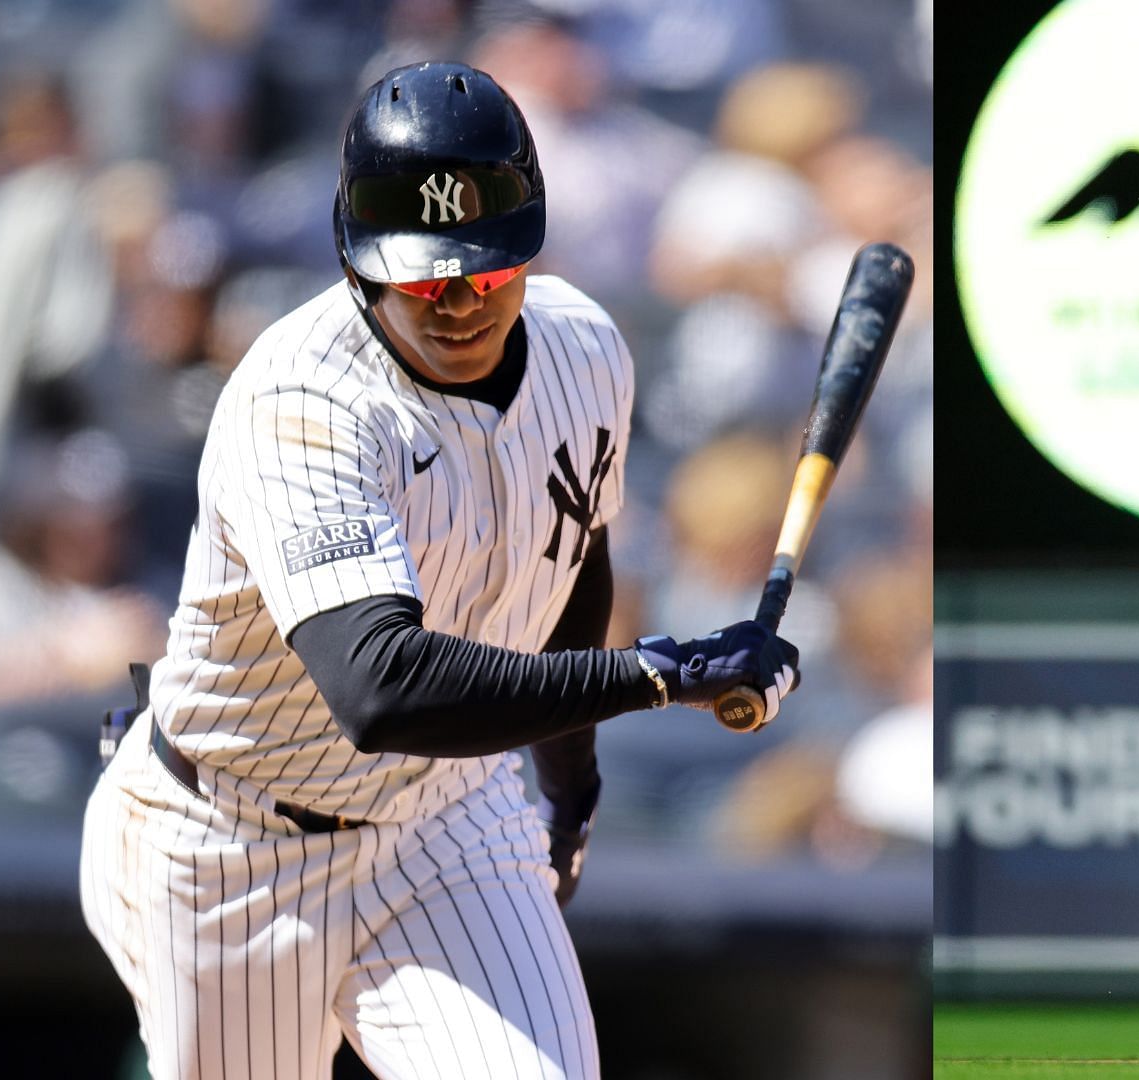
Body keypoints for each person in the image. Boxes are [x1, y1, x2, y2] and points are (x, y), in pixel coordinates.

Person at [78, 62, 799, 1079]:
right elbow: (381, 690)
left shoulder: (587, 351)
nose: (456, 300)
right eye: (421, 274)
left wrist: (571, 788)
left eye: (486, 269)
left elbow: (568, 574)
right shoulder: (301, 400)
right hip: (231, 837)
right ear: (353, 257)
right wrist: (661, 674)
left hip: (445, 821)